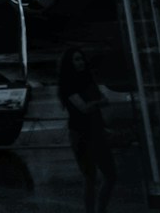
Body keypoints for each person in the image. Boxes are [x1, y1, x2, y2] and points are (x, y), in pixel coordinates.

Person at [58, 47, 119, 213]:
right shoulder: (68, 85)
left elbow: (94, 103)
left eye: (81, 59)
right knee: (91, 177)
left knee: (109, 175)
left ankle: (99, 210)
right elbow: (84, 107)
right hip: (81, 134)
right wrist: (97, 103)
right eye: (76, 60)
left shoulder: (87, 80)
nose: (81, 62)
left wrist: (95, 104)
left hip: (95, 131)